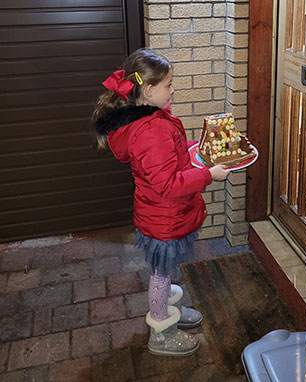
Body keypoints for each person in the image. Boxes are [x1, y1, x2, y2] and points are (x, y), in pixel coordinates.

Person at [92, 48, 229, 357]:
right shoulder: (150, 130)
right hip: (164, 219)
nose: (173, 89)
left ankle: (171, 307)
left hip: (163, 215)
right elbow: (167, 183)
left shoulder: (152, 117)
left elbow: (173, 156)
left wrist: (202, 148)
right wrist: (209, 174)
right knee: (162, 274)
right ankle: (162, 330)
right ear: (149, 90)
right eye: (169, 84)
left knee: (164, 270)